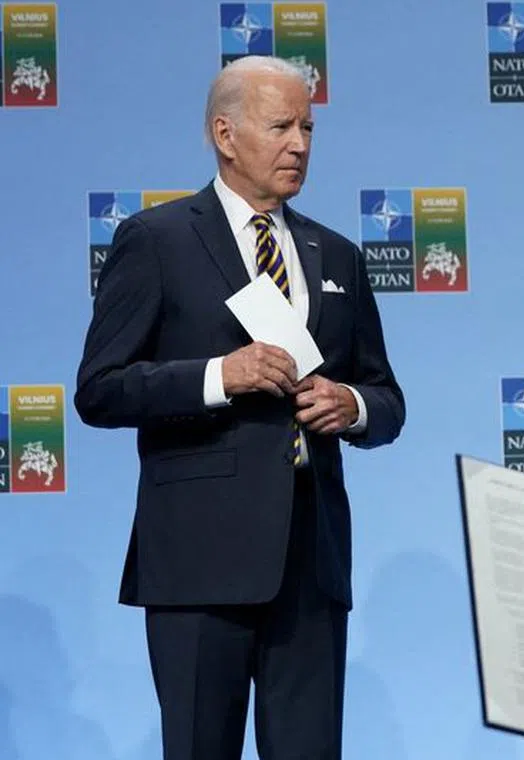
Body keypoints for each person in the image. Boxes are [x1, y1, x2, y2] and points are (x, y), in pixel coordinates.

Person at [73, 56, 405, 759]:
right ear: (225, 134)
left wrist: (351, 404)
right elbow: (100, 389)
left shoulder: (337, 254)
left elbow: (387, 396)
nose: (301, 144)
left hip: (311, 565)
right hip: (197, 562)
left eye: (308, 127)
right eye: (281, 126)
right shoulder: (157, 240)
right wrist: (220, 375)